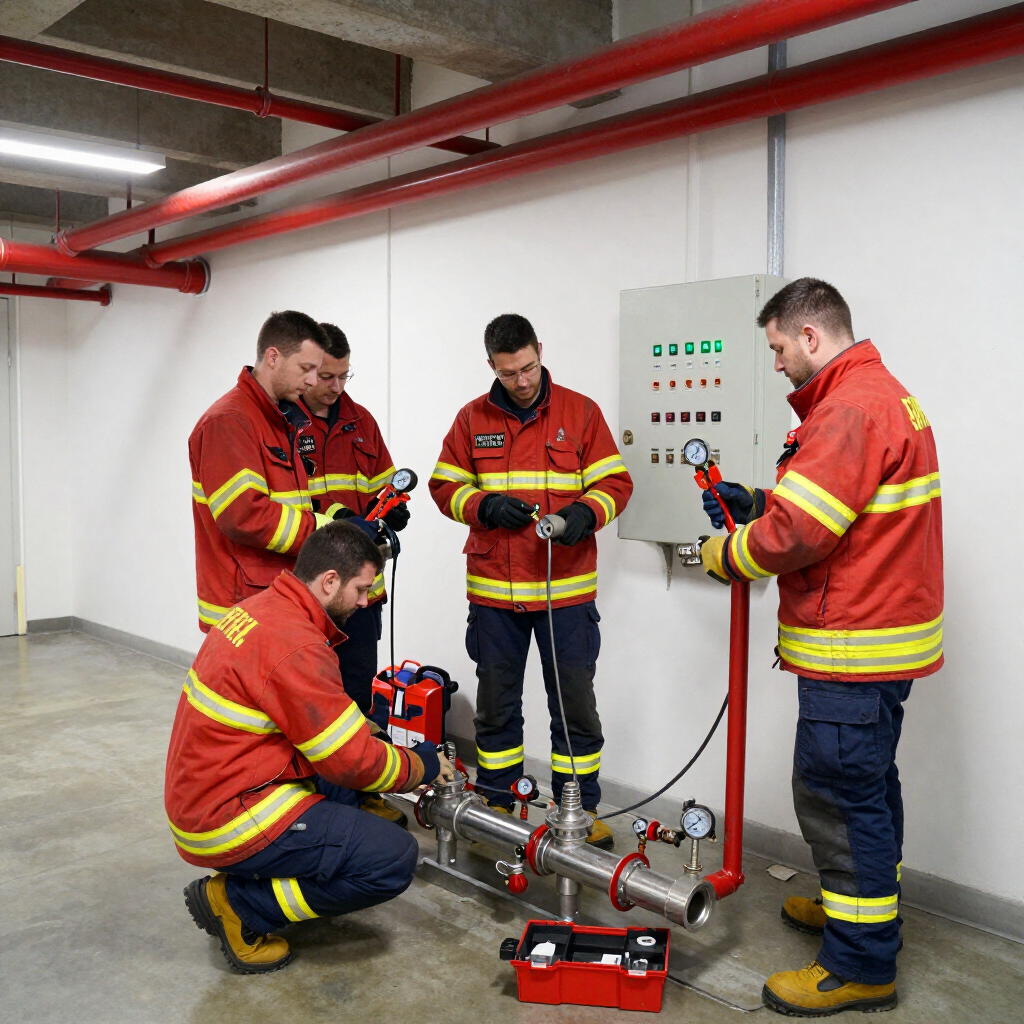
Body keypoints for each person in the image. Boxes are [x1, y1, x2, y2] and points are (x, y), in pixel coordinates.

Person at [697, 279, 942, 1016]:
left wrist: (728, 549)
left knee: (837, 797)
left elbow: (801, 535)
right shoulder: (880, 394)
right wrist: (763, 502)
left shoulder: (845, 410)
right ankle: (861, 911)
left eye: (776, 348)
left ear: (810, 336)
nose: (774, 364)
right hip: (882, 644)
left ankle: (860, 964)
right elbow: (837, 511)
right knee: (870, 791)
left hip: (853, 647)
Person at [166, 521, 453, 974]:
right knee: (392, 858)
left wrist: (364, 730)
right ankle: (241, 904)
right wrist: (420, 765)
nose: (365, 601)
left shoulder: (267, 608)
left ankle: (262, 873)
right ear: (330, 580)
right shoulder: (295, 643)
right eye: (361, 589)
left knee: (346, 787)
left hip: (210, 789)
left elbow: (312, 710)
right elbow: (353, 762)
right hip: (228, 814)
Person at [430, 314, 633, 849]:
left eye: (528, 367)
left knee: (574, 707)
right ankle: (496, 806)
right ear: (491, 366)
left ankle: (579, 810)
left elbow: (615, 480)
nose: (521, 381)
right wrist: (484, 505)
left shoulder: (579, 412)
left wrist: (589, 513)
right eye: (508, 372)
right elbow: (443, 484)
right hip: (495, 594)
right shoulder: (471, 419)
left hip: (564, 593)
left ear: (540, 351)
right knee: (497, 706)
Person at [300, 321, 411, 826]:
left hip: (362, 596)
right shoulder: (284, 426)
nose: (336, 387)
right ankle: (312, 801)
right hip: (310, 596)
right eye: (326, 376)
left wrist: (393, 512)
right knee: (309, 701)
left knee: (357, 692)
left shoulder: (361, 422)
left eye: (344, 376)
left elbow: (387, 485)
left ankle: (360, 792)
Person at [189, 310, 333, 632]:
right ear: (273, 357)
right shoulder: (230, 422)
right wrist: (322, 532)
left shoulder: (279, 419)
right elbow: (244, 516)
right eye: (305, 368)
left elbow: (289, 504)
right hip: (244, 608)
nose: (312, 380)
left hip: (277, 595)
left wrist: (338, 520)